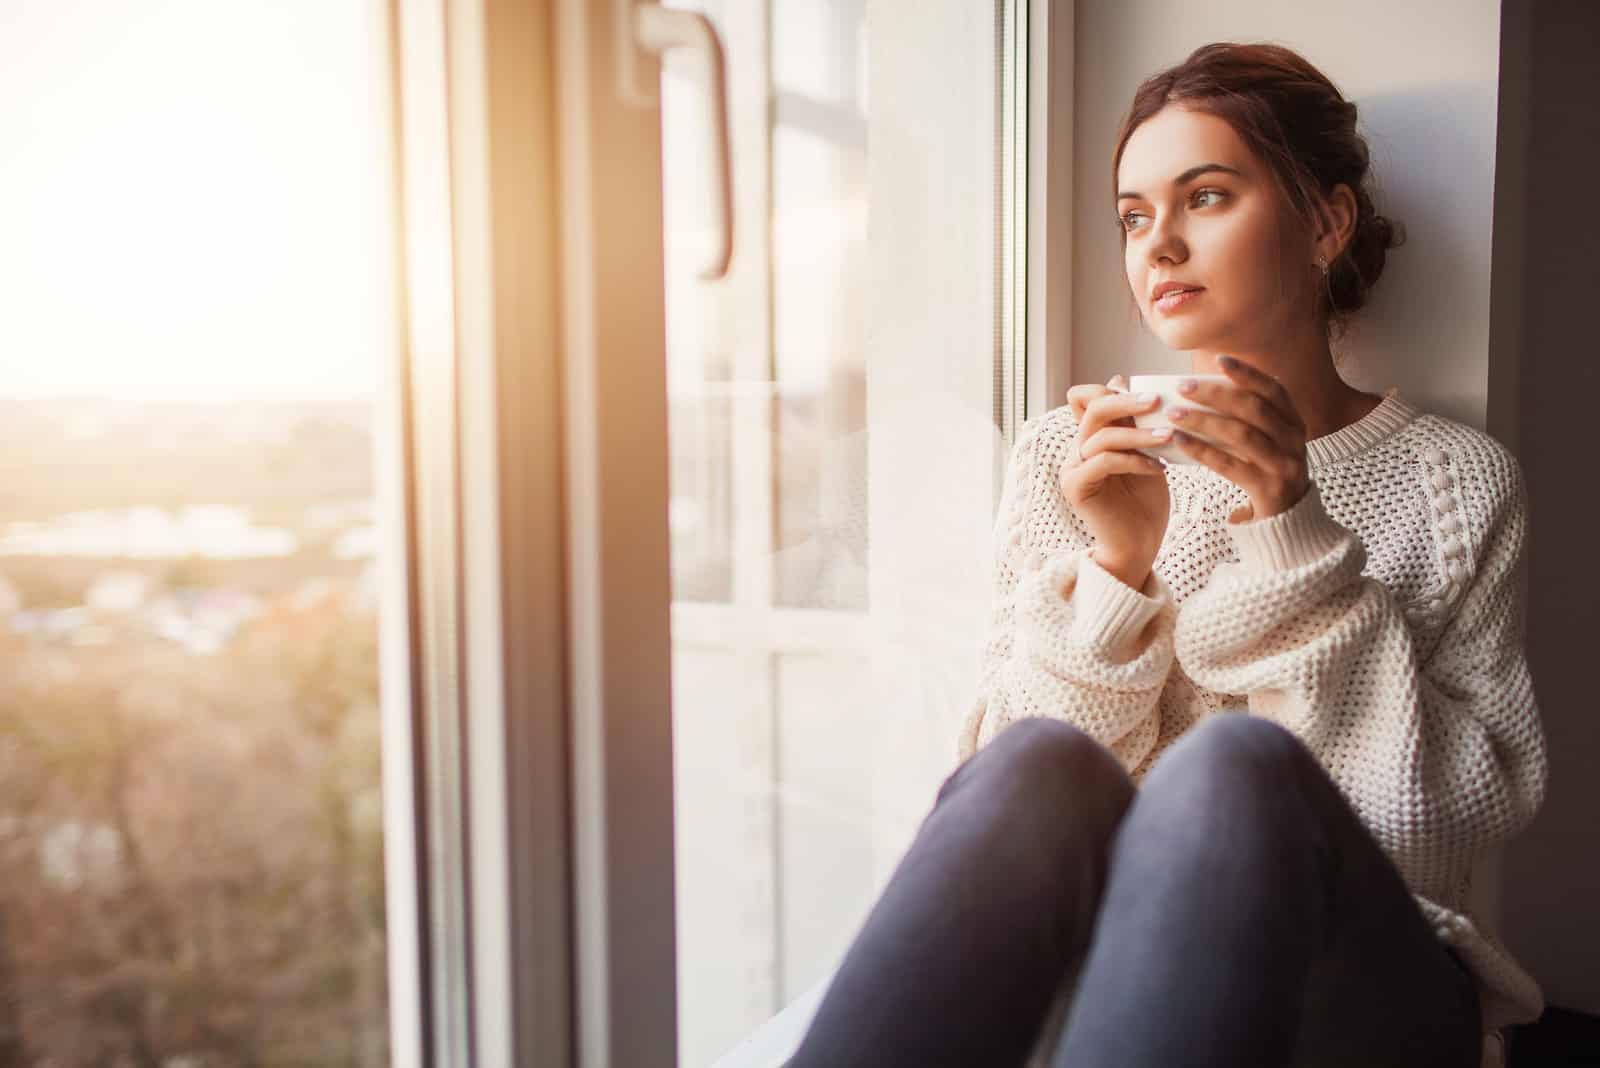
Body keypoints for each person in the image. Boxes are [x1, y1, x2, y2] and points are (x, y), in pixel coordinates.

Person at [788, 41, 1546, 1068]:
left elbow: (1432, 824)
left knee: (1233, 763)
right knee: (1036, 761)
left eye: (1206, 197)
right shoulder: (1073, 453)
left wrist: (1290, 529)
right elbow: (1010, 815)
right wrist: (1117, 567)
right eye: (1134, 216)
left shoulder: (1454, 479)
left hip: (1378, 982)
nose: (1160, 245)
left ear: (1324, 222)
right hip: (1125, 973)